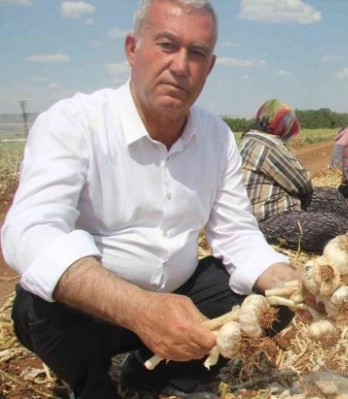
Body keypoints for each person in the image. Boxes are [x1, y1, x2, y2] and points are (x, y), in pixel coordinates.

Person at [0, 1, 301, 398]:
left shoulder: (216, 137)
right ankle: (90, 385)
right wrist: (140, 309)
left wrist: (283, 278)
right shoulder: (73, 122)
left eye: (197, 53)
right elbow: (30, 232)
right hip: (96, 309)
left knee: (273, 303)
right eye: (166, 45)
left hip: (178, 294)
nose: (181, 66)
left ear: (209, 67)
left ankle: (154, 375)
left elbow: (237, 234)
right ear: (131, 49)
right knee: (38, 309)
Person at [240, 99, 348, 253]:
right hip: (266, 221)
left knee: (332, 196)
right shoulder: (268, 144)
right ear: (283, 127)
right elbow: (303, 184)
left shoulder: (251, 138)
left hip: (273, 207)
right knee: (330, 225)